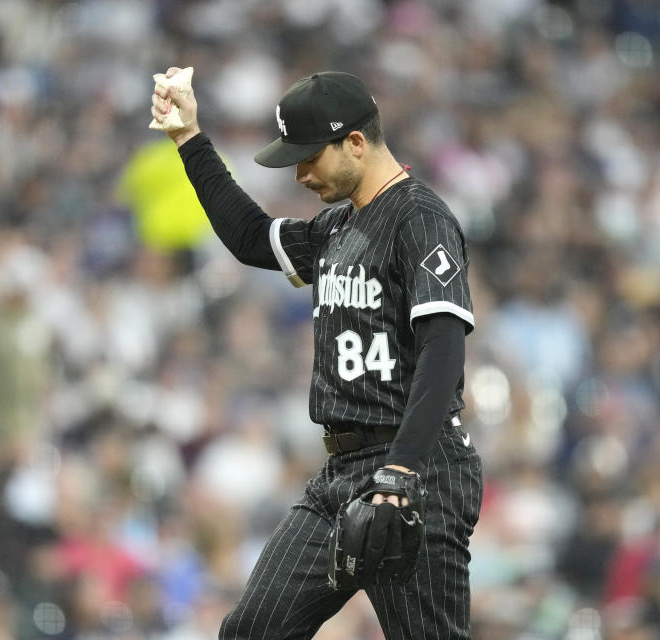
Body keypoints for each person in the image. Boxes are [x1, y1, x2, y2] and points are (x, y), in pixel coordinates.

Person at [151, 67, 483, 640]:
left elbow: (442, 352)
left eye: (310, 156)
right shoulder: (337, 228)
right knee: (252, 631)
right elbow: (252, 238)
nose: (301, 173)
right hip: (340, 473)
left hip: (418, 469)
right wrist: (189, 140)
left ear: (355, 141)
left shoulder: (420, 219)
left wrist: (400, 469)